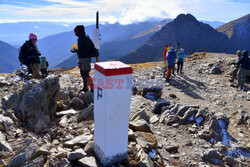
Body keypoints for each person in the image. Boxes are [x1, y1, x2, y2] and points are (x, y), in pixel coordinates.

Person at [72, 25, 94, 92]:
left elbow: (84, 50)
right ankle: (86, 87)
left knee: (85, 74)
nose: (75, 33)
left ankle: (92, 88)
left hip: (85, 59)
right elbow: (83, 49)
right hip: (83, 59)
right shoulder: (84, 38)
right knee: (83, 73)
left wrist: (76, 50)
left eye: (75, 32)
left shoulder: (82, 39)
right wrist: (77, 50)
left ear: (79, 32)